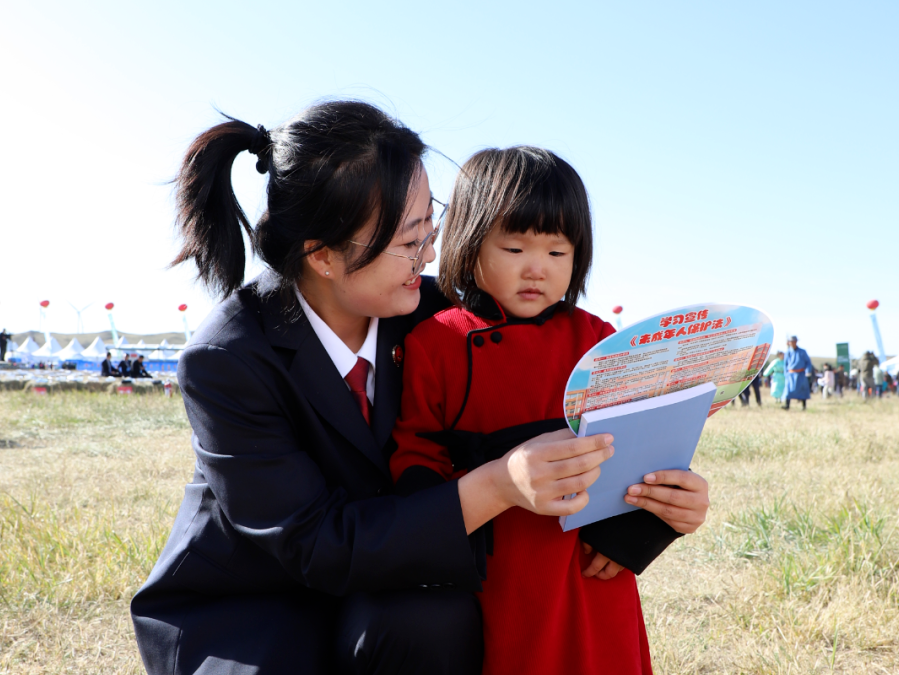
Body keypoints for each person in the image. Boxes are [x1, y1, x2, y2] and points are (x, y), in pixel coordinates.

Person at [129, 102, 712, 675]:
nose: (431, 254)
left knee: (431, 619)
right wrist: (498, 484)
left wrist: (651, 508)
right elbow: (316, 544)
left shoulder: (440, 314)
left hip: (393, 584)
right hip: (262, 605)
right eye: (409, 242)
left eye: (430, 226)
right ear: (323, 255)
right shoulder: (228, 358)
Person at [389, 147, 707, 675]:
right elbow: (416, 450)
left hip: (591, 563)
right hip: (496, 563)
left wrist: (636, 535)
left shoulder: (600, 340)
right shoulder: (438, 341)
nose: (537, 268)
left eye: (558, 252)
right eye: (515, 247)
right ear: (469, 242)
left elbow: (643, 448)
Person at [782, 336, 812, 410]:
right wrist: (786, 373)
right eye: (790, 341)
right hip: (790, 374)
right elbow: (785, 364)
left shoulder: (802, 351)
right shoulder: (788, 352)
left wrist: (808, 371)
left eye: (793, 341)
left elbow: (808, 362)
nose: (792, 343)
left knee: (802, 390)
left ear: (796, 342)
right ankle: (787, 405)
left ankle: (804, 406)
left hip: (800, 374)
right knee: (788, 390)